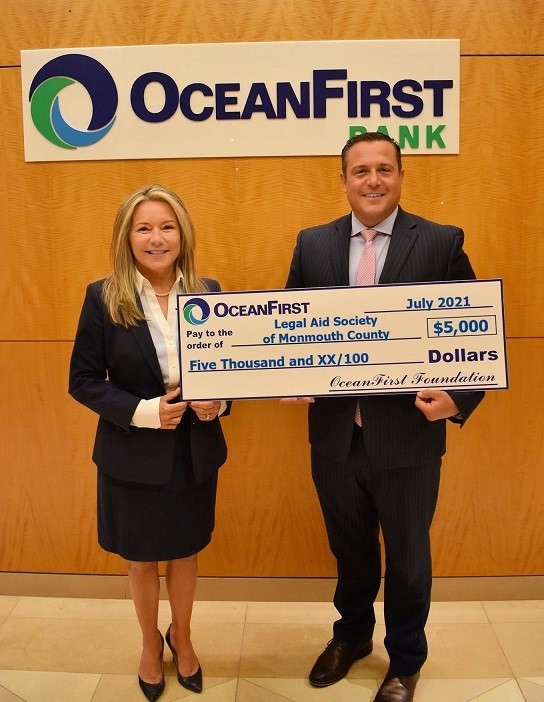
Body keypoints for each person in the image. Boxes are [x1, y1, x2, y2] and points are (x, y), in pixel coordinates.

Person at [283, 132, 484, 702]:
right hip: (335, 436)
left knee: (408, 557)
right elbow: (289, 324)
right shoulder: (313, 244)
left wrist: (460, 399)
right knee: (349, 549)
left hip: (408, 438)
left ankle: (406, 659)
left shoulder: (440, 242)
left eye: (384, 169)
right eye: (361, 170)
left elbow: (477, 331)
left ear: (400, 175)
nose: (373, 180)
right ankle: (351, 637)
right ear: (344, 180)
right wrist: (285, 375)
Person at [69, 184, 229, 701]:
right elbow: (83, 380)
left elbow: (230, 370)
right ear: (127, 237)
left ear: (183, 234)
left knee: (183, 553)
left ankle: (182, 636)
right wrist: (144, 412)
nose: (156, 238)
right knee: (140, 558)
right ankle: (148, 643)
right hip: (131, 455)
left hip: (193, 453)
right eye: (144, 228)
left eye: (167, 227)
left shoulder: (208, 291)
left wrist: (220, 403)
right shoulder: (103, 296)